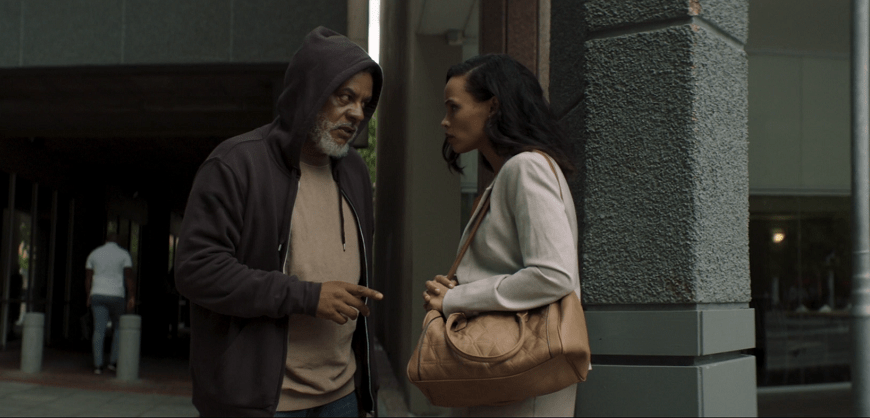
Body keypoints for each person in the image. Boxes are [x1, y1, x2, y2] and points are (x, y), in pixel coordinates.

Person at [174, 26, 384, 417]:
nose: (357, 113)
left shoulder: (355, 171)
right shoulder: (236, 163)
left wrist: (366, 391)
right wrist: (307, 296)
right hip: (261, 402)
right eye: (345, 97)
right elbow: (196, 269)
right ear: (311, 91)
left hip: (342, 395)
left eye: (364, 102)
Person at [422, 53, 581, 417]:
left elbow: (553, 274)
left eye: (454, 107)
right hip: (510, 369)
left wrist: (456, 298)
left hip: (524, 376)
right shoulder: (511, 172)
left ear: (492, 107)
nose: (445, 121)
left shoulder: (526, 168)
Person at [85, 232, 136, 375]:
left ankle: (98, 365)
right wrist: (131, 296)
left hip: (98, 294)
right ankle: (113, 362)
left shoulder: (94, 254)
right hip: (117, 295)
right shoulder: (124, 254)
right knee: (118, 328)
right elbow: (129, 278)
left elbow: (88, 278)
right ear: (117, 241)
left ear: (106, 240)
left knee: (99, 330)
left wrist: (88, 295)